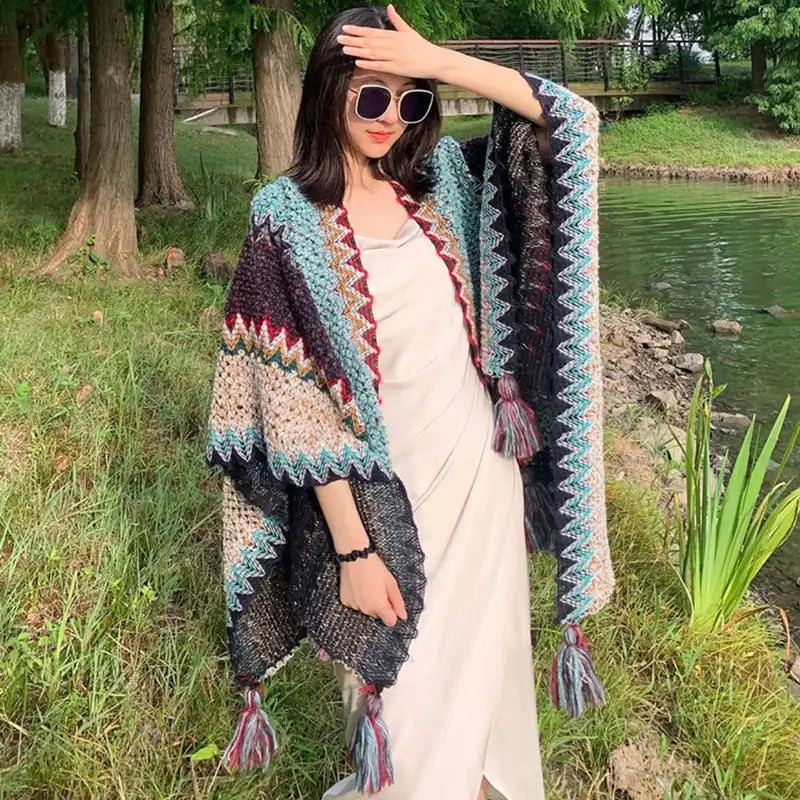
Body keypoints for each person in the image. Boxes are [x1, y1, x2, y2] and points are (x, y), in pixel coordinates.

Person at [204, 4, 614, 799]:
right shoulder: (283, 221)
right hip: (381, 510)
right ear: (328, 91)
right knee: (408, 734)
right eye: (370, 95)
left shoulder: (446, 183)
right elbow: (294, 411)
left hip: (479, 488)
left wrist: (441, 62)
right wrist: (354, 553)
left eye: (410, 98)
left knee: (486, 722)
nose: (390, 117)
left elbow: (574, 123)